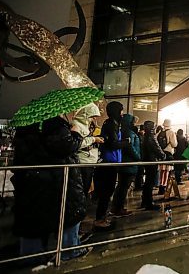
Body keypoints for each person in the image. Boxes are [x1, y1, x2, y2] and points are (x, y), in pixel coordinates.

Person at [11, 116, 90, 262]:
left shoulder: (25, 126)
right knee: (69, 213)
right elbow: (67, 146)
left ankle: (31, 255)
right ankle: (69, 250)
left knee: (32, 216)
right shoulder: (55, 124)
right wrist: (76, 133)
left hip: (31, 179)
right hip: (58, 178)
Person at [94, 101, 129, 230]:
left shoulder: (112, 124)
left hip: (111, 161)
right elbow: (113, 144)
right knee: (106, 191)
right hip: (110, 162)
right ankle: (100, 219)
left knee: (107, 191)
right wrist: (126, 143)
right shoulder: (111, 125)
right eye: (121, 111)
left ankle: (102, 216)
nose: (122, 113)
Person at [111, 113, 141, 217]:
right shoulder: (129, 133)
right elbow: (130, 147)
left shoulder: (122, 131)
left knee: (121, 186)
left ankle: (116, 207)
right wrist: (138, 157)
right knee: (123, 187)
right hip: (129, 164)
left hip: (124, 163)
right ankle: (118, 208)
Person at [71, 103, 104, 197]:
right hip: (83, 161)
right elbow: (77, 143)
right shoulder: (77, 125)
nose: (94, 119)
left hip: (88, 161)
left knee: (85, 187)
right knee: (82, 189)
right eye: (92, 116)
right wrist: (94, 139)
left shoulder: (84, 126)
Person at [140, 120, 166, 210]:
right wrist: (163, 155)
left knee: (148, 182)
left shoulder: (145, 136)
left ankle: (145, 201)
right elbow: (157, 148)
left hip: (147, 160)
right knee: (150, 182)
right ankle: (149, 203)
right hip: (152, 161)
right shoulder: (151, 137)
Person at [157, 119, 178, 194]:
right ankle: (164, 186)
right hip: (168, 154)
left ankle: (160, 186)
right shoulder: (171, 132)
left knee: (161, 171)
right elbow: (174, 144)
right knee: (166, 171)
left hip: (161, 154)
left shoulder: (159, 132)